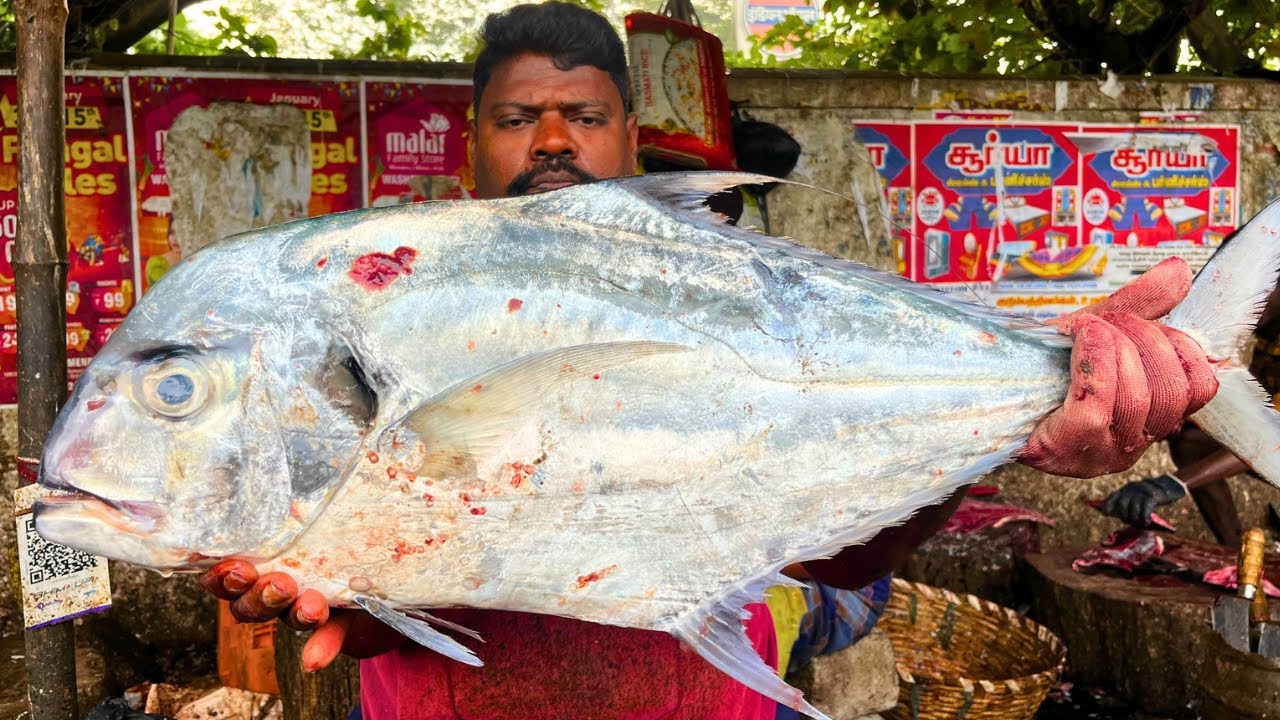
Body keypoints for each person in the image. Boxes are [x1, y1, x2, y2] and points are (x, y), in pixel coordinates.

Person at [200, 4, 1220, 717]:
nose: (550, 139)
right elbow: (376, 620)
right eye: (516, 119)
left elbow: (838, 558)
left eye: (584, 116)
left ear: (629, 138)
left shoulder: (746, 295)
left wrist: (1006, 427)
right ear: (473, 138)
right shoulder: (388, 303)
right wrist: (329, 581)